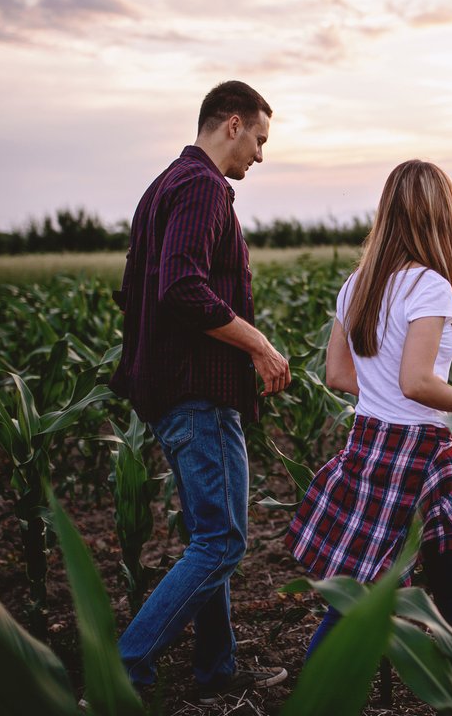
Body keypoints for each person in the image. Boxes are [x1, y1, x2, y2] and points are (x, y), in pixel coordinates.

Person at [284, 159, 452, 716]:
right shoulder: (429, 285)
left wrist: (386, 385)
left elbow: (339, 375)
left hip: (370, 447)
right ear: (440, 217)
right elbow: (417, 382)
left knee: (355, 602)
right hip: (421, 456)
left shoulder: (357, 284)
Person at [109, 80, 291, 703]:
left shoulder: (163, 185)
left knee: (208, 537)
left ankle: (216, 669)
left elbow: (149, 289)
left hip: (170, 391)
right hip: (198, 393)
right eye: (260, 140)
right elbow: (181, 289)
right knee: (222, 540)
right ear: (232, 124)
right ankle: (124, 667)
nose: (260, 157)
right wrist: (258, 344)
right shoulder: (204, 187)